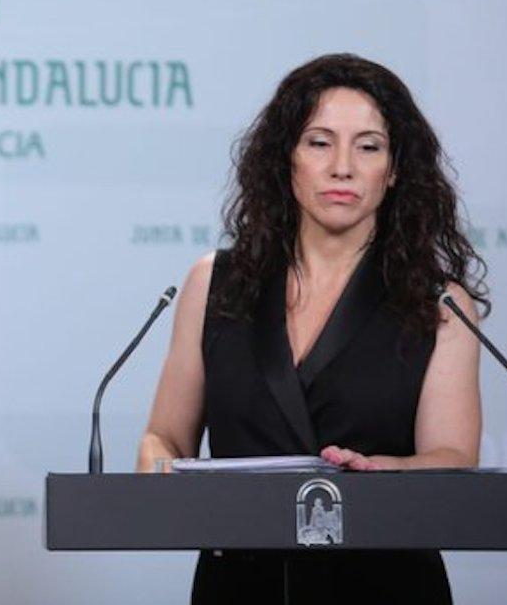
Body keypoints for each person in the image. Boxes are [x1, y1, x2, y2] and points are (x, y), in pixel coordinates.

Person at [137, 54, 487, 604]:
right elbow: (167, 436)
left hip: (385, 582)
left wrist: (383, 471)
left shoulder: (440, 302)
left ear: (394, 169)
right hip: (240, 583)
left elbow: (451, 455)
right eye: (319, 142)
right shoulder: (215, 283)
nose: (342, 167)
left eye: (368, 146)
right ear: (287, 159)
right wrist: (154, 461)